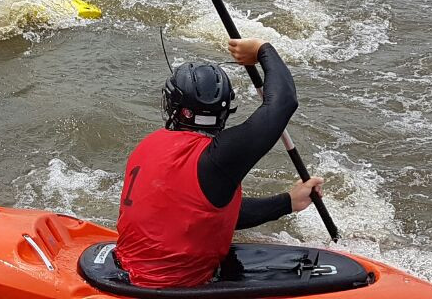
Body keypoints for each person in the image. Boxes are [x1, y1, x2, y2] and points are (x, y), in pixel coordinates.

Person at [115, 38, 326, 289]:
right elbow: (283, 102)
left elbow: (201, 214)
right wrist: (262, 50)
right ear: (225, 112)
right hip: (177, 288)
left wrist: (288, 202)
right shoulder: (219, 157)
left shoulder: (148, 146)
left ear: (172, 105)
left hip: (125, 273)